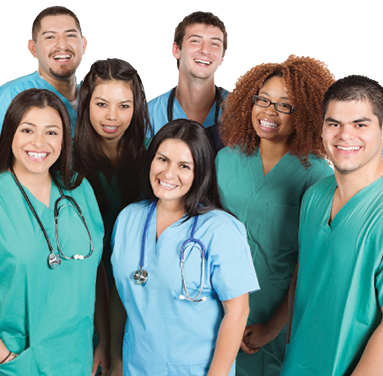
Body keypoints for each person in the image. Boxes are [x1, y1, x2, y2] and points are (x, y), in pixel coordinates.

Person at [109, 119, 259, 376]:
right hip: (136, 365)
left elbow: (237, 312)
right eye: (162, 159)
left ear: (200, 172)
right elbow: (120, 294)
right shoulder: (128, 219)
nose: (168, 174)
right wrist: (115, 357)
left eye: (184, 166)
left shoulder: (220, 229)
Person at [215, 55, 334, 376]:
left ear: (305, 114)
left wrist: (272, 326)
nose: (269, 111)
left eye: (284, 105)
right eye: (263, 100)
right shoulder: (224, 161)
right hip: (217, 303)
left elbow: (312, 259)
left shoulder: (317, 175)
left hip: (275, 314)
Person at [281, 75, 383, 376]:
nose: (344, 135)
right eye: (334, 123)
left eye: (360, 124)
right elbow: (305, 272)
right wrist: (289, 346)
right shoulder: (315, 196)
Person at [0, 89, 106, 375]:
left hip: (77, 357)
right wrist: (5, 356)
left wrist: (105, 341)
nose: (39, 142)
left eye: (51, 132)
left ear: (64, 139)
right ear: (10, 133)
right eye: (27, 130)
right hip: (19, 362)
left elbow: (97, 272)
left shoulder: (78, 188)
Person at [73, 58, 151, 290]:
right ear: (86, 104)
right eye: (102, 104)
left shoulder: (156, 157)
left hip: (137, 285)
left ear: (136, 108)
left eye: (124, 106)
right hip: (79, 282)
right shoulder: (63, 157)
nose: (112, 116)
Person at [0, 6, 87, 135]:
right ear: (33, 48)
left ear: (83, 44)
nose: (62, 45)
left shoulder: (93, 97)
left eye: (70, 35)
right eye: (50, 37)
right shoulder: (11, 95)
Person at [148, 11, 228, 151]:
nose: (205, 50)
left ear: (222, 57)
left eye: (215, 44)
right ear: (176, 49)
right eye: (195, 41)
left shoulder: (240, 112)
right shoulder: (149, 116)